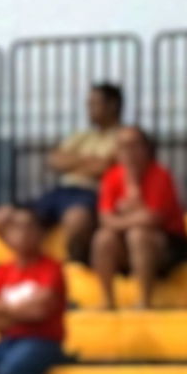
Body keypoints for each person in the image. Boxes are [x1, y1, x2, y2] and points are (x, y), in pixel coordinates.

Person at [89, 127, 187, 311]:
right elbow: (105, 219)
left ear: (146, 148)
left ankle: (145, 300)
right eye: (122, 146)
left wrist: (126, 214)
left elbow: (154, 218)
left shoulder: (160, 175)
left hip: (169, 244)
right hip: (127, 241)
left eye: (133, 145)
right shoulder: (112, 177)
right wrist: (136, 214)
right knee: (103, 239)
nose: (128, 152)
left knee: (138, 235)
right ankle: (108, 300)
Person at [32, 81, 124, 264]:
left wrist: (73, 160)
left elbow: (105, 166)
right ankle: (33, 271)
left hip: (92, 192)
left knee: (76, 220)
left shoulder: (125, 136)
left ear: (112, 105)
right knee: (8, 217)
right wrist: (90, 161)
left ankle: (76, 268)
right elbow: (53, 160)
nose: (88, 108)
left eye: (94, 103)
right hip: (61, 191)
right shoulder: (81, 135)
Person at [0, 206, 68, 374]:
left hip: (43, 342)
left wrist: (6, 310)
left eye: (28, 227)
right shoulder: (3, 272)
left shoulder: (51, 268)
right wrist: (24, 310)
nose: (22, 233)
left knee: (9, 370)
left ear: (40, 233)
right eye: (16, 227)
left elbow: (41, 311)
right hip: (9, 341)